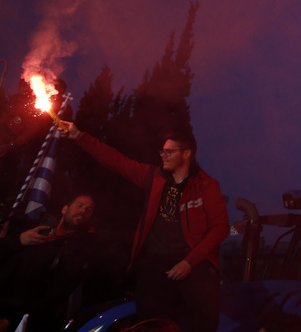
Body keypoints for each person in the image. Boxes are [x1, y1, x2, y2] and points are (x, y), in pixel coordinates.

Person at [60, 123, 229, 332]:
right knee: (151, 321)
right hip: (156, 262)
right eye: (162, 151)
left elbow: (220, 228)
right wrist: (78, 135)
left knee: (205, 308)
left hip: (193, 261)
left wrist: (189, 262)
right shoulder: (153, 177)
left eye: (169, 151)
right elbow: (117, 162)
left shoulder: (206, 186)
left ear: (186, 154)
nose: (163, 156)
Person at [0, 195, 98, 332]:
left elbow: (57, 294)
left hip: (22, 318)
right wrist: (20, 240)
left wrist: (12, 320)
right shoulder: (35, 226)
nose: (83, 211)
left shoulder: (81, 250)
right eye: (79, 205)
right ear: (65, 209)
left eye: (89, 210)